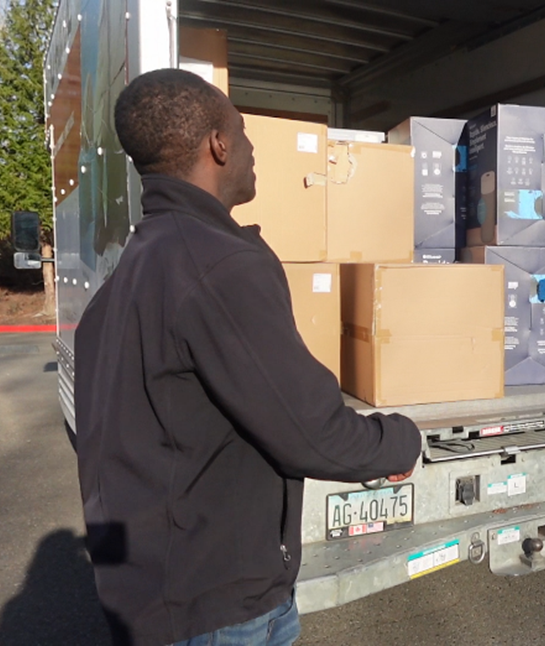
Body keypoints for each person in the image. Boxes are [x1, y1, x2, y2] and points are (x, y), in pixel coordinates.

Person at [75, 69, 422, 646]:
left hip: (157, 592)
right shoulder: (218, 265)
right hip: (214, 605)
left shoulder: (136, 265)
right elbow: (310, 431)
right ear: (218, 144)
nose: (252, 145)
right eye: (243, 129)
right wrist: (399, 440)